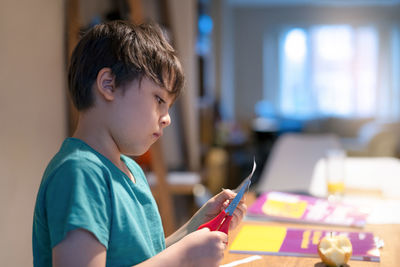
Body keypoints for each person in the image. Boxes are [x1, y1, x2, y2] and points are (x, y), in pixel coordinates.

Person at [32, 20, 246, 267]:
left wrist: (195, 226)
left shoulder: (131, 170)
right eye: (158, 100)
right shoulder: (79, 173)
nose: (166, 119)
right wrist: (184, 258)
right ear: (108, 85)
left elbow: (144, 258)